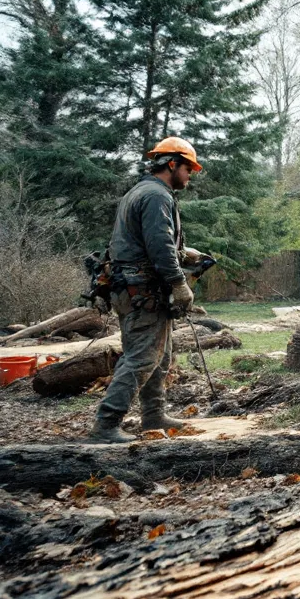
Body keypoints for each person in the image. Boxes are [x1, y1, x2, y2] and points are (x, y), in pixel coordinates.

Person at [87, 137, 201, 443]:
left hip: (131, 288)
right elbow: (158, 244)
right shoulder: (155, 196)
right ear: (172, 164)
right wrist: (179, 284)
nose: (190, 175)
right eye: (188, 168)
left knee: (158, 356)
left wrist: (187, 253)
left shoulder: (141, 191)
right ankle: (106, 424)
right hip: (142, 291)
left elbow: (144, 241)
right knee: (142, 357)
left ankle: (153, 415)